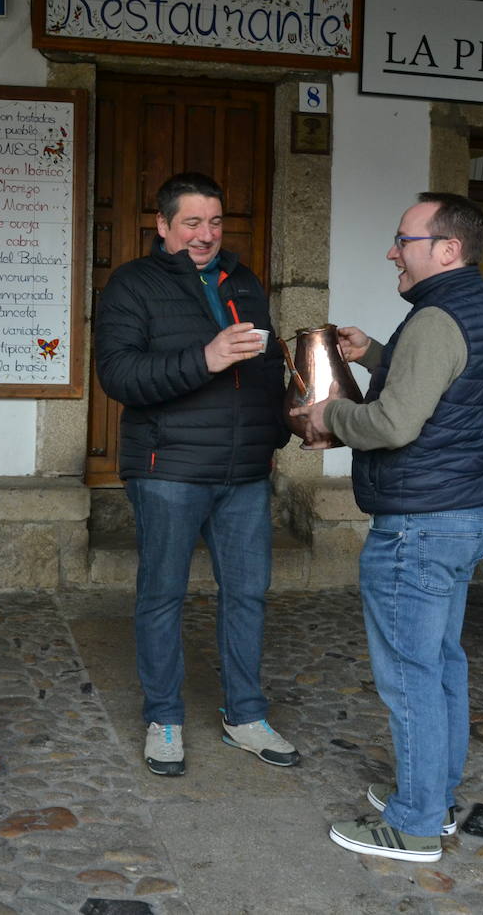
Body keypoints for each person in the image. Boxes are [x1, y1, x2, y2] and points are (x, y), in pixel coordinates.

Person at [293, 192, 483, 862]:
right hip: (461, 515)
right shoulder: (478, 312)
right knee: (440, 666)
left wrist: (331, 416)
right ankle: (433, 795)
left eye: (404, 238)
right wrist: (377, 354)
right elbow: (443, 386)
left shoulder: (437, 319)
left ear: (448, 249)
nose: (393, 250)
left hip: (420, 526)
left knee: (411, 675)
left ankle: (415, 823)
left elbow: (393, 423)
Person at [94, 172, 296, 778]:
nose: (206, 234)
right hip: (168, 467)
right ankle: (165, 718)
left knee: (248, 595)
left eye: (214, 221)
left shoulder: (243, 280)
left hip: (244, 471)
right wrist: (206, 358)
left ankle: (245, 715)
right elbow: (121, 377)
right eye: (191, 222)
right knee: (163, 594)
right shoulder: (132, 284)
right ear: (162, 226)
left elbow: (263, 371)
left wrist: (287, 423)